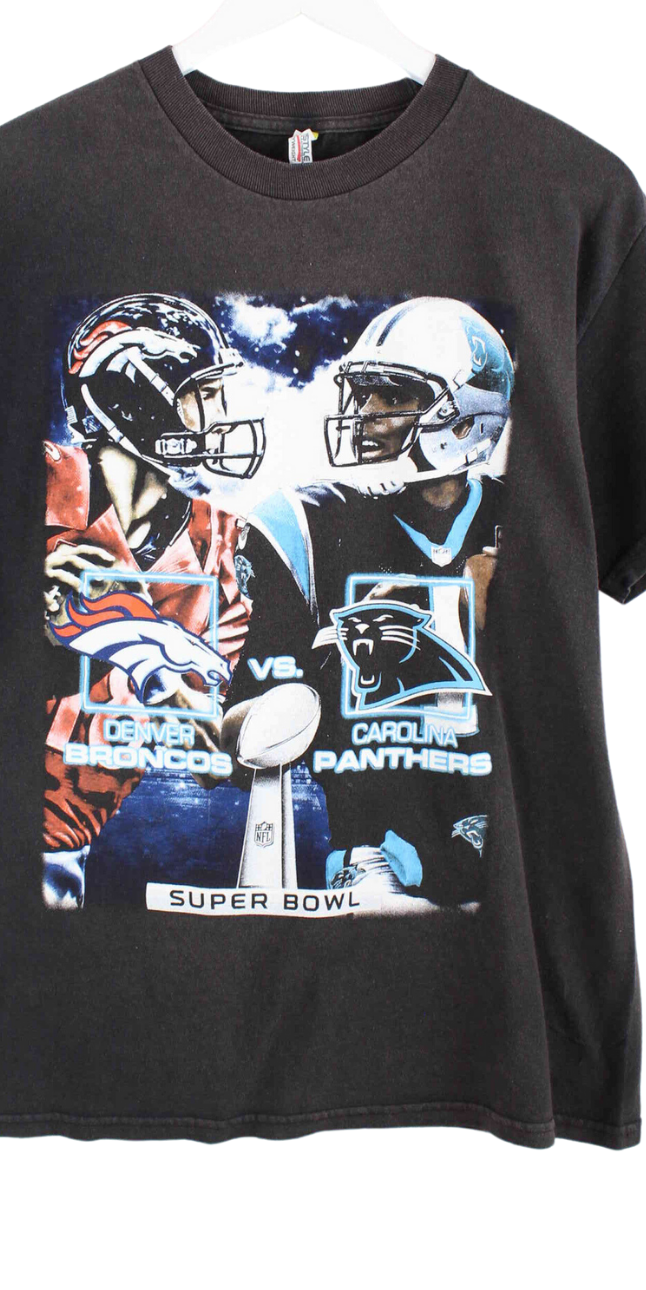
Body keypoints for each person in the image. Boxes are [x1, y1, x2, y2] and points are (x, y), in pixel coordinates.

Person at [226, 297, 515, 907]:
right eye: (362, 394)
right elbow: (232, 729)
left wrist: (514, 613)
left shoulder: (523, 523)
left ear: (467, 418)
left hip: (509, 842)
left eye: (392, 396)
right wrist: (277, 711)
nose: (365, 415)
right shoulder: (307, 526)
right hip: (375, 858)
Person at [42, 294, 264, 908]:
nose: (220, 416)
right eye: (203, 393)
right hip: (10, 819)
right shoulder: (41, 480)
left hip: (69, 842)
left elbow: (206, 752)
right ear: (133, 396)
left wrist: (233, 726)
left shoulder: (220, 543)